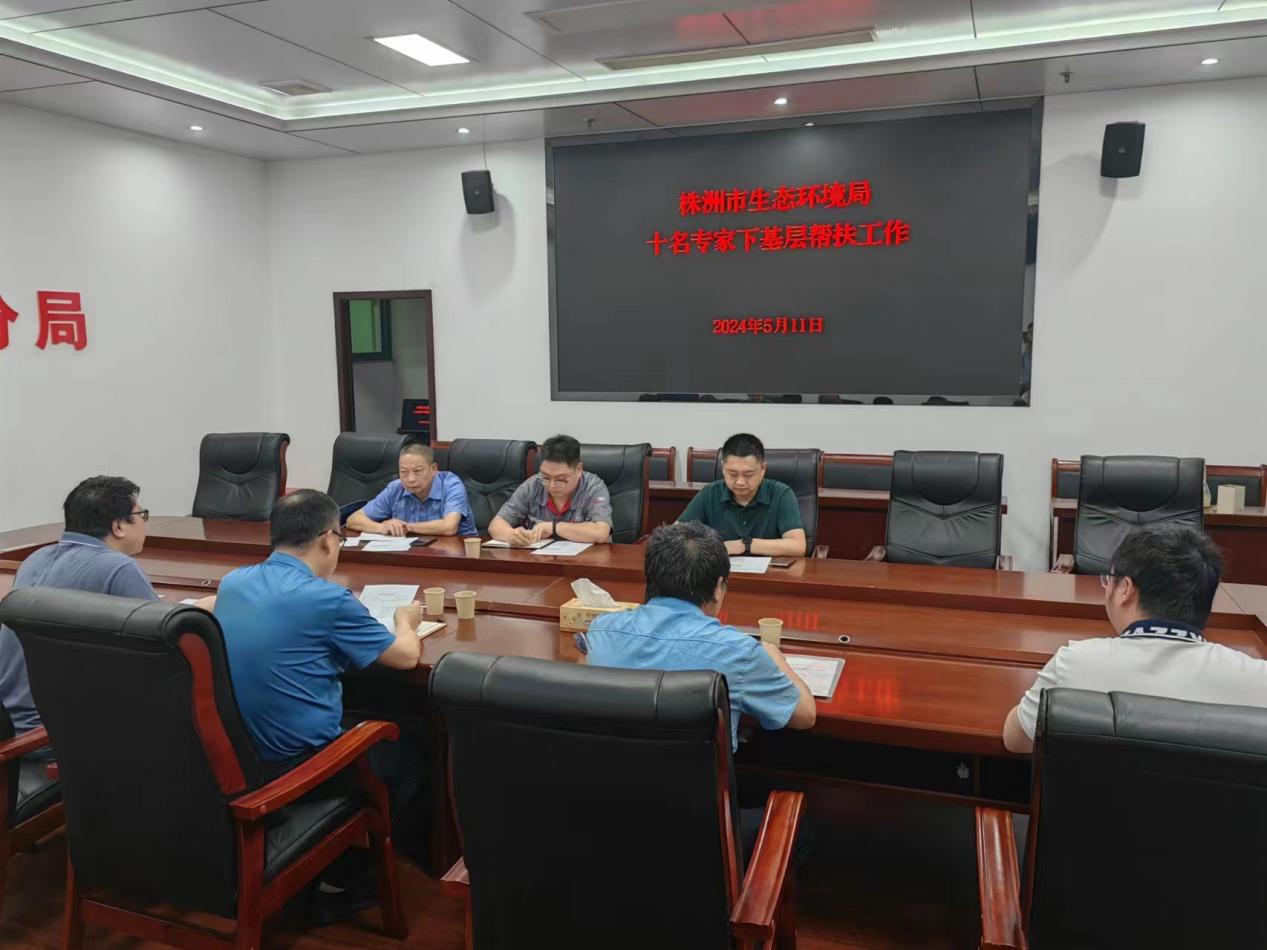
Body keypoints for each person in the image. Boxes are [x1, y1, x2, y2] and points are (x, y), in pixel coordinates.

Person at [214, 489, 425, 922]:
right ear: (328, 539)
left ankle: (337, 856)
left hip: (239, 757)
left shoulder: (233, 582)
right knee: (410, 752)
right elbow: (406, 657)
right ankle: (360, 877)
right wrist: (405, 622)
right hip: (298, 766)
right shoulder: (327, 599)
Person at [581, 521, 816, 863]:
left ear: (650, 578)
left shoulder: (602, 631)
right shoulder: (739, 652)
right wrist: (773, 656)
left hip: (609, 820)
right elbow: (805, 715)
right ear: (719, 587)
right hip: (699, 837)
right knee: (801, 827)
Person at [1003, 523, 1267, 754]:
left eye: (1109, 579)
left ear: (1126, 590)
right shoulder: (1257, 679)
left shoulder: (1074, 663)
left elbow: (1016, 739)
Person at [0, 476, 176, 736]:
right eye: (142, 515)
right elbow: (166, 646)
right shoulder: (118, 567)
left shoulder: (34, 559)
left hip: (12, 727)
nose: (145, 523)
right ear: (118, 526)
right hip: (51, 736)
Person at [678, 433, 808, 557]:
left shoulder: (781, 494)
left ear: (763, 469)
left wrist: (744, 545)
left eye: (748, 475)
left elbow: (798, 546)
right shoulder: (710, 493)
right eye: (733, 474)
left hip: (770, 571)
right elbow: (675, 537)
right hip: (721, 570)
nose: (740, 482)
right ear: (723, 468)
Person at [488, 434, 613, 546]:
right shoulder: (533, 485)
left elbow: (601, 532)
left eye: (561, 479)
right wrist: (510, 534)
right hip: (539, 560)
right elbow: (496, 525)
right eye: (546, 477)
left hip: (585, 560)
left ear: (579, 469)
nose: (552, 485)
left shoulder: (593, 487)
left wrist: (554, 528)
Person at [346, 441, 475, 537]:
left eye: (417, 471)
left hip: (455, 555)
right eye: (404, 472)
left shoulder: (451, 485)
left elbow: (449, 527)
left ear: (434, 469)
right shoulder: (395, 488)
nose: (410, 479)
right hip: (410, 553)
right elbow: (353, 520)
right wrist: (382, 527)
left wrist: (405, 527)